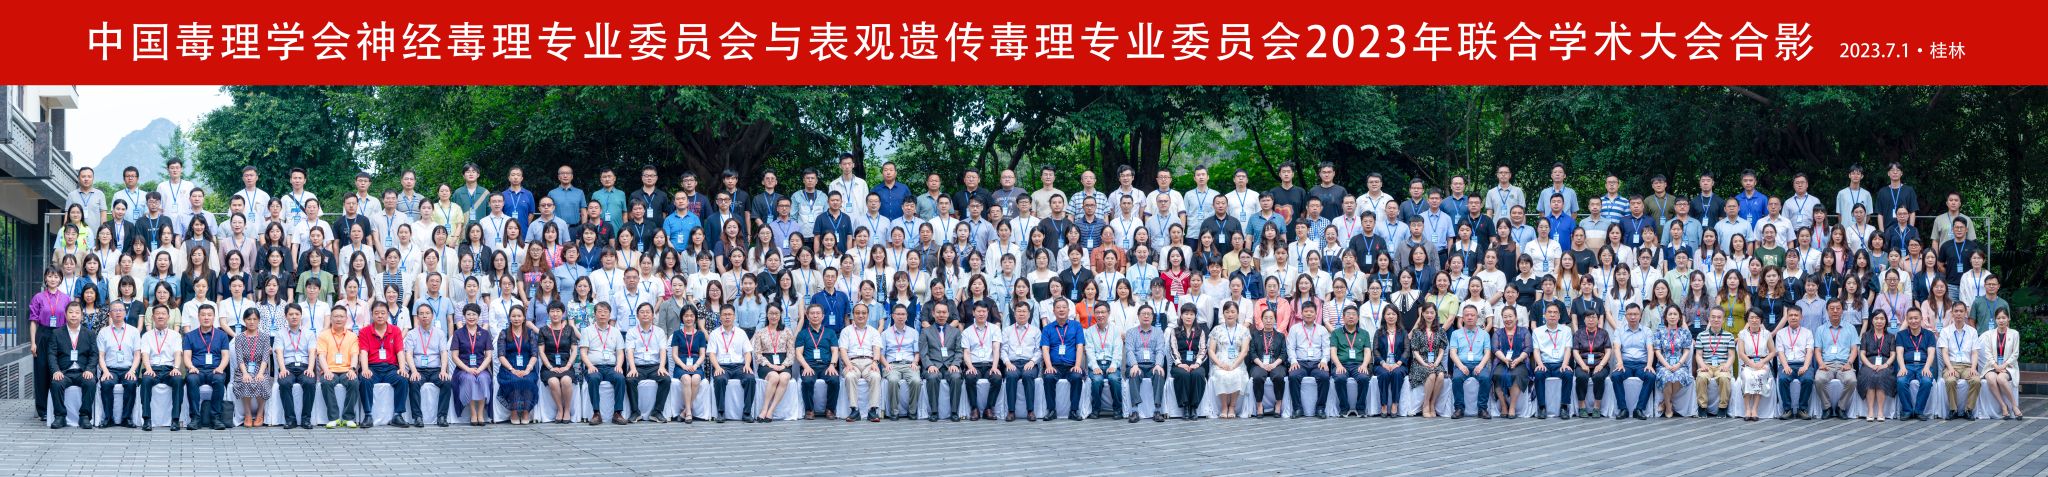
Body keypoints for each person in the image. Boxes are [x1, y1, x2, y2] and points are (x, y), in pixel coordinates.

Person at [358, 302, 411, 427]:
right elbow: (363, 352)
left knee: (403, 379)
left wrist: (402, 368)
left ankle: (398, 415)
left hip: (390, 369)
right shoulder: (365, 331)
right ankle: (368, 415)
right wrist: (365, 369)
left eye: (383, 313)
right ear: (372, 315)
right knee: (365, 379)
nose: (380, 316)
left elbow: (399, 351)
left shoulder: (395, 330)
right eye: (376, 313)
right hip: (373, 368)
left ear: (387, 314)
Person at [46, 303, 98, 429]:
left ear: (82, 316)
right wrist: (56, 371)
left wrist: (89, 370)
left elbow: (94, 355)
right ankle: (60, 417)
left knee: (90, 382)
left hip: (82, 372)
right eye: (70, 312)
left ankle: (85, 416)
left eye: (77, 312)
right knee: (56, 383)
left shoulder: (89, 333)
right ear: (65, 314)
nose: (73, 315)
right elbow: (51, 355)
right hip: (64, 372)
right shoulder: (56, 333)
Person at [182, 304, 233, 430]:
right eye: (203, 315)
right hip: (197, 370)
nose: (206, 317)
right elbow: (187, 356)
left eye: (209, 315)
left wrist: (221, 368)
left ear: (214, 317)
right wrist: (191, 367)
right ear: (198, 317)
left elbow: (225, 355)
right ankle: (195, 418)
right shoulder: (190, 335)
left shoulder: (222, 335)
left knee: (219, 379)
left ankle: (215, 417)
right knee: (191, 379)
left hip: (214, 370)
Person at [403, 303, 452, 427]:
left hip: (435, 370)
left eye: (427, 313)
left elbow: (443, 353)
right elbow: (408, 354)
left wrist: (443, 370)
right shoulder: (411, 334)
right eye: (421, 314)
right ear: (417, 317)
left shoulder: (440, 333)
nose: (424, 316)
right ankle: (417, 417)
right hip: (418, 370)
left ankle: (442, 416)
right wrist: (414, 371)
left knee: (446, 382)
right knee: (413, 382)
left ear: (432, 315)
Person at [580, 303, 629, 425]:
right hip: (594, 367)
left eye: (605, 312)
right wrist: (590, 366)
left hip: (611, 367)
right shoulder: (587, 331)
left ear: (610, 315)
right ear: (594, 314)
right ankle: (596, 413)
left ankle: (617, 413)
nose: (602, 314)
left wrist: (619, 365)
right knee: (594, 378)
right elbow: (583, 353)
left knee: (620, 378)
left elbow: (620, 353)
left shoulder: (616, 332)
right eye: (600, 311)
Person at [138, 305, 185, 431]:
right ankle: (147, 419)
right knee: (146, 380)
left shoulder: (175, 335)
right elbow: (145, 354)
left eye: (163, 313)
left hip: (170, 369)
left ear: (168, 317)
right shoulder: (147, 335)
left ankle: (175, 420)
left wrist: (176, 368)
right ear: (153, 317)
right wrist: (148, 369)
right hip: (153, 369)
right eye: (157, 313)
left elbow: (178, 353)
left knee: (178, 380)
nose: (160, 316)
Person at [96, 302, 142, 428]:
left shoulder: (133, 331)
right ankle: (108, 418)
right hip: (110, 369)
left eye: (120, 310)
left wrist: (132, 371)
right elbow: (101, 356)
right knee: (106, 383)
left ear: (125, 313)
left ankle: (126, 418)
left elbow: (137, 355)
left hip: (128, 369)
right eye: (114, 310)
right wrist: (105, 371)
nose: (118, 312)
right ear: (109, 314)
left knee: (131, 383)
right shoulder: (103, 332)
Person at [707, 307, 756, 423]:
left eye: (730, 314)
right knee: (719, 379)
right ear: (720, 317)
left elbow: (747, 352)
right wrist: (717, 367)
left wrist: (747, 364)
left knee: (750, 378)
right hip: (722, 366)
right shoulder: (714, 334)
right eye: (724, 314)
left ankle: (747, 413)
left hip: (739, 366)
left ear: (734, 317)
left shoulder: (741, 333)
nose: (727, 317)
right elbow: (711, 354)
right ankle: (720, 412)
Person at [1122, 305, 1170, 422]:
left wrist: (1158, 364)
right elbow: (1129, 351)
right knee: (1134, 373)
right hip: (1136, 364)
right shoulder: (1131, 332)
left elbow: (1160, 350)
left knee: (1159, 373)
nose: (1146, 316)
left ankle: (1157, 410)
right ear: (1138, 316)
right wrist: (1134, 365)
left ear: (1153, 317)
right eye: (1143, 314)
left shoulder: (1158, 332)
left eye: (1149, 314)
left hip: (1152, 365)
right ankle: (1134, 411)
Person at [1813, 301, 1859, 420]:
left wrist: (1849, 363)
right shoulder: (1820, 329)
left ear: (1842, 310)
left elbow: (1854, 349)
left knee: (1852, 380)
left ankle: (1841, 407)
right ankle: (1827, 407)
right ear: (1827, 311)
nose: (1835, 311)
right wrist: (1821, 363)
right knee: (1819, 379)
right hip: (1827, 364)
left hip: (1844, 364)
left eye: (1838, 308)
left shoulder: (1850, 328)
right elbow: (1817, 350)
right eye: (1832, 308)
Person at [794, 304, 842, 420]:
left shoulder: (830, 333)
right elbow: (798, 353)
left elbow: (835, 351)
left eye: (818, 313)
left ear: (823, 316)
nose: (815, 316)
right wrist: (806, 366)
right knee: (807, 381)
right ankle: (809, 410)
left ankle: (830, 409)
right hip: (809, 366)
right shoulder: (802, 334)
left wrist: (832, 365)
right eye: (812, 313)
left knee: (834, 380)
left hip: (826, 366)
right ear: (807, 316)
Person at [450, 304, 495, 426]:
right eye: (468, 314)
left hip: (481, 368)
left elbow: (488, 356)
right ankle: (473, 412)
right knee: (469, 378)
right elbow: (454, 356)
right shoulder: (458, 333)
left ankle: (480, 412)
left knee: (484, 378)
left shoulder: (485, 333)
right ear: (464, 316)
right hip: (463, 369)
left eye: (474, 314)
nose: (471, 317)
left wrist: (479, 369)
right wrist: (468, 369)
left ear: (479, 317)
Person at [537, 302, 582, 423]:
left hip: (566, 364)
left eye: (558, 311)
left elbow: (574, 350)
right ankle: (560, 409)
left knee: (566, 380)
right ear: (548, 313)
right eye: (552, 311)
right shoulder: (543, 330)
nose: (555, 314)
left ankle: (567, 410)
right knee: (553, 381)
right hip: (549, 365)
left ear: (563, 313)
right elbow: (541, 352)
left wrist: (568, 366)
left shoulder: (569, 329)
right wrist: (550, 367)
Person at [1446, 306, 1492, 419]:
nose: (1470, 317)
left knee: (1485, 378)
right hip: (1461, 364)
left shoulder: (1484, 334)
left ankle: (1482, 409)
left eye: (1472, 315)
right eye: (1467, 315)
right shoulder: (1456, 334)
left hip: (1479, 364)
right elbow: (1453, 353)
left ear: (1477, 317)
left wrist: (1481, 366)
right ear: (1462, 318)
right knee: (1456, 378)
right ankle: (1459, 408)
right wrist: (1461, 366)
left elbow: (1487, 353)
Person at [921, 303, 965, 421]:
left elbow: (959, 351)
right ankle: (934, 412)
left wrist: (955, 364)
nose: (941, 315)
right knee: (932, 377)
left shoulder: (955, 332)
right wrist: (929, 365)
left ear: (948, 314)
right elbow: (923, 353)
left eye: (944, 312)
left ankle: (954, 412)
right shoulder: (925, 331)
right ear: (933, 314)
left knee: (956, 377)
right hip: (933, 365)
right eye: (938, 312)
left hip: (950, 365)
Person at [229, 309, 272, 428]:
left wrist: (260, 373)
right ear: (244, 320)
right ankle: (247, 414)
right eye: (249, 319)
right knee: (245, 381)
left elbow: (265, 358)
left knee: (262, 381)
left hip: (260, 367)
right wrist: (245, 373)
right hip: (243, 368)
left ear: (259, 320)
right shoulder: (239, 337)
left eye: (254, 319)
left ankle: (260, 413)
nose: (252, 322)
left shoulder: (265, 337)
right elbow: (239, 358)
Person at [879, 305, 923, 420]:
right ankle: (894, 412)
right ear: (893, 316)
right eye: (898, 314)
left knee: (916, 381)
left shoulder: (914, 333)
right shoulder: (885, 334)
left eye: (903, 314)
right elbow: (881, 354)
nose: (900, 317)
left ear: (907, 316)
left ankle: (912, 411)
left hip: (909, 364)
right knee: (893, 380)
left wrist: (915, 362)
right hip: (892, 365)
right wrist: (886, 365)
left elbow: (917, 352)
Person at [841, 306, 885, 422]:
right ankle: (854, 410)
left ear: (868, 315)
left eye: (864, 313)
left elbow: (876, 349)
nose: (861, 315)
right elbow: (843, 350)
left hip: (869, 362)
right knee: (850, 376)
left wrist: (875, 362)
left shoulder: (874, 331)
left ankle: (873, 410)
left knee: (875, 376)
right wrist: (848, 364)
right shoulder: (846, 331)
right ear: (853, 315)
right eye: (857, 313)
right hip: (852, 362)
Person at [1529, 303, 1573, 419]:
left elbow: (1568, 349)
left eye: (1555, 312)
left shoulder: (1567, 330)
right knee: (1538, 374)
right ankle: (1542, 407)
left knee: (1568, 374)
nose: (1552, 315)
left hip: (1560, 364)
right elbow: (1536, 350)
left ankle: (1564, 406)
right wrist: (1540, 364)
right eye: (1549, 312)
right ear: (1544, 315)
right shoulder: (1537, 331)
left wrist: (1565, 364)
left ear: (1559, 316)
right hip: (1545, 364)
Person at [1937, 308, 1982, 420]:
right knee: (1950, 380)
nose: (1958, 314)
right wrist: (1950, 368)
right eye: (1956, 311)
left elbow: (1975, 352)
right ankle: (1953, 409)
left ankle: (1968, 410)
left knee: (1976, 380)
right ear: (1952, 313)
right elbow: (1944, 352)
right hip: (1951, 365)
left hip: (1967, 366)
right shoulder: (1945, 331)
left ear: (1965, 313)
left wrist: (1973, 368)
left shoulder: (1972, 331)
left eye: (1961, 311)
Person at [1208, 303, 1250, 419]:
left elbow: (1244, 351)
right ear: (1223, 314)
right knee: (1221, 375)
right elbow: (1211, 350)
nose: (1230, 314)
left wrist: (1234, 365)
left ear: (1237, 314)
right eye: (1227, 312)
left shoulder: (1244, 330)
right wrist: (1220, 364)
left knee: (1237, 374)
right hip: (1220, 361)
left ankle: (1232, 406)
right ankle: (1224, 407)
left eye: (1232, 312)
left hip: (1237, 362)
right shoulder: (1216, 329)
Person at [753, 305, 794, 423]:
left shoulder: (787, 331)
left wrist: (784, 365)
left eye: (776, 313)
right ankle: (764, 409)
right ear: (767, 314)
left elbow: (791, 352)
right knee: (774, 377)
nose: (774, 316)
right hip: (766, 364)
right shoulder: (760, 332)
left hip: (784, 363)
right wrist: (770, 365)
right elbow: (757, 353)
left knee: (784, 377)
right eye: (771, 313)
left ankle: (771, 410)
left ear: (780, 315)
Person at [1979, 309, 2022, 420]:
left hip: (2008, 366)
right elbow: (1988, 353)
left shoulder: (2014, 334)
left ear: (2008, 319)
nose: (2001, 320)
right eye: (1998, 318)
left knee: (2001, 379)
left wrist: (2003, 365)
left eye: (2003, 318)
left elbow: (2015, 354)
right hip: (1992, 366)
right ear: (1995, 320)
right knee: (1991, 378)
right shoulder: (1989, 334)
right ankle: (2003, 405)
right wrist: (1996, 366)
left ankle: (2014, 406)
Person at [1735, 311, 1776, 422]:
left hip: (1763, 363)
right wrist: (1751, 364)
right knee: (1747, 376)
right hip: (1748, 363)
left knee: (1760, 375)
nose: (1754, 320)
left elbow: (1772, 352)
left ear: (1761, 320)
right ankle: (1747, 409)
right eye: (1751, 318)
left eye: (1757, 318)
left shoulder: (1766, 333)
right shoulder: (1742, 334)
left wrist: (1762, 362)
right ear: (1747, 320)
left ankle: (1754, 409)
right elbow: (1741, 353)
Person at [1490, 307, 1528, 419]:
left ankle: (1512, 406)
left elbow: (1528, 348)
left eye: (1510, 316)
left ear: (1516, 317)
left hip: (1520, 362)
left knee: (1517, 375)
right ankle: (1503, 406)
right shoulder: (1498, 333)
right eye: (1505, 317)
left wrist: (1518, 359)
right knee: (1497, 374)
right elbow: (1495, 348)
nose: (1508, 319)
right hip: (1502, 361)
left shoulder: (1524, 331)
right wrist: (1505, 359)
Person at [1857, 311, 1895, 422]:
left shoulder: (1891, 336)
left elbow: (1893, 354)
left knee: (1881, 376)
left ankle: (1880, 411)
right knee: (1869, 375)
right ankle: (1870, 411)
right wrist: (1870, 365)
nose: (1879, 321)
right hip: (1869, 363)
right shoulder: (1865, 335)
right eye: (1876, 318)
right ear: (1872, 320)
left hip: (1885, 364)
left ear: (1886, 321)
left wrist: (1885, 365)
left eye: (1882, 319)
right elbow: (1862, 354)